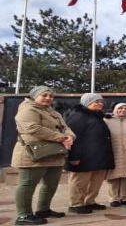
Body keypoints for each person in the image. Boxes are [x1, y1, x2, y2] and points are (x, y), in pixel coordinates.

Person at [12, 86, 75, 225]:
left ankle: (43, 209)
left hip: (53, 153)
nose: (48, 98)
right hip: (32, 153)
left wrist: (70, 136)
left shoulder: (53, 112)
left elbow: (65, 126)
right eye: (44, 95)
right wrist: (62, 138)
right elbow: (33, 128)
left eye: (50, 96)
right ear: (34, 96)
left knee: (51, 184)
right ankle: (23, 215)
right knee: (27, 184)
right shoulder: (27, 109)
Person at [64, 93, 115, 214]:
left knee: (96, 181)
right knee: (80, 182)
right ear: (86, 103)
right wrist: (74, 156)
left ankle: (89, 201)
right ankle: (76, 204)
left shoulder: (97, 117)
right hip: (83, 157)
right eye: (96, 102)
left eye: (101, 102)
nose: (100, 104)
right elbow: (72, 138)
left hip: (98, 156)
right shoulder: (78, 116)